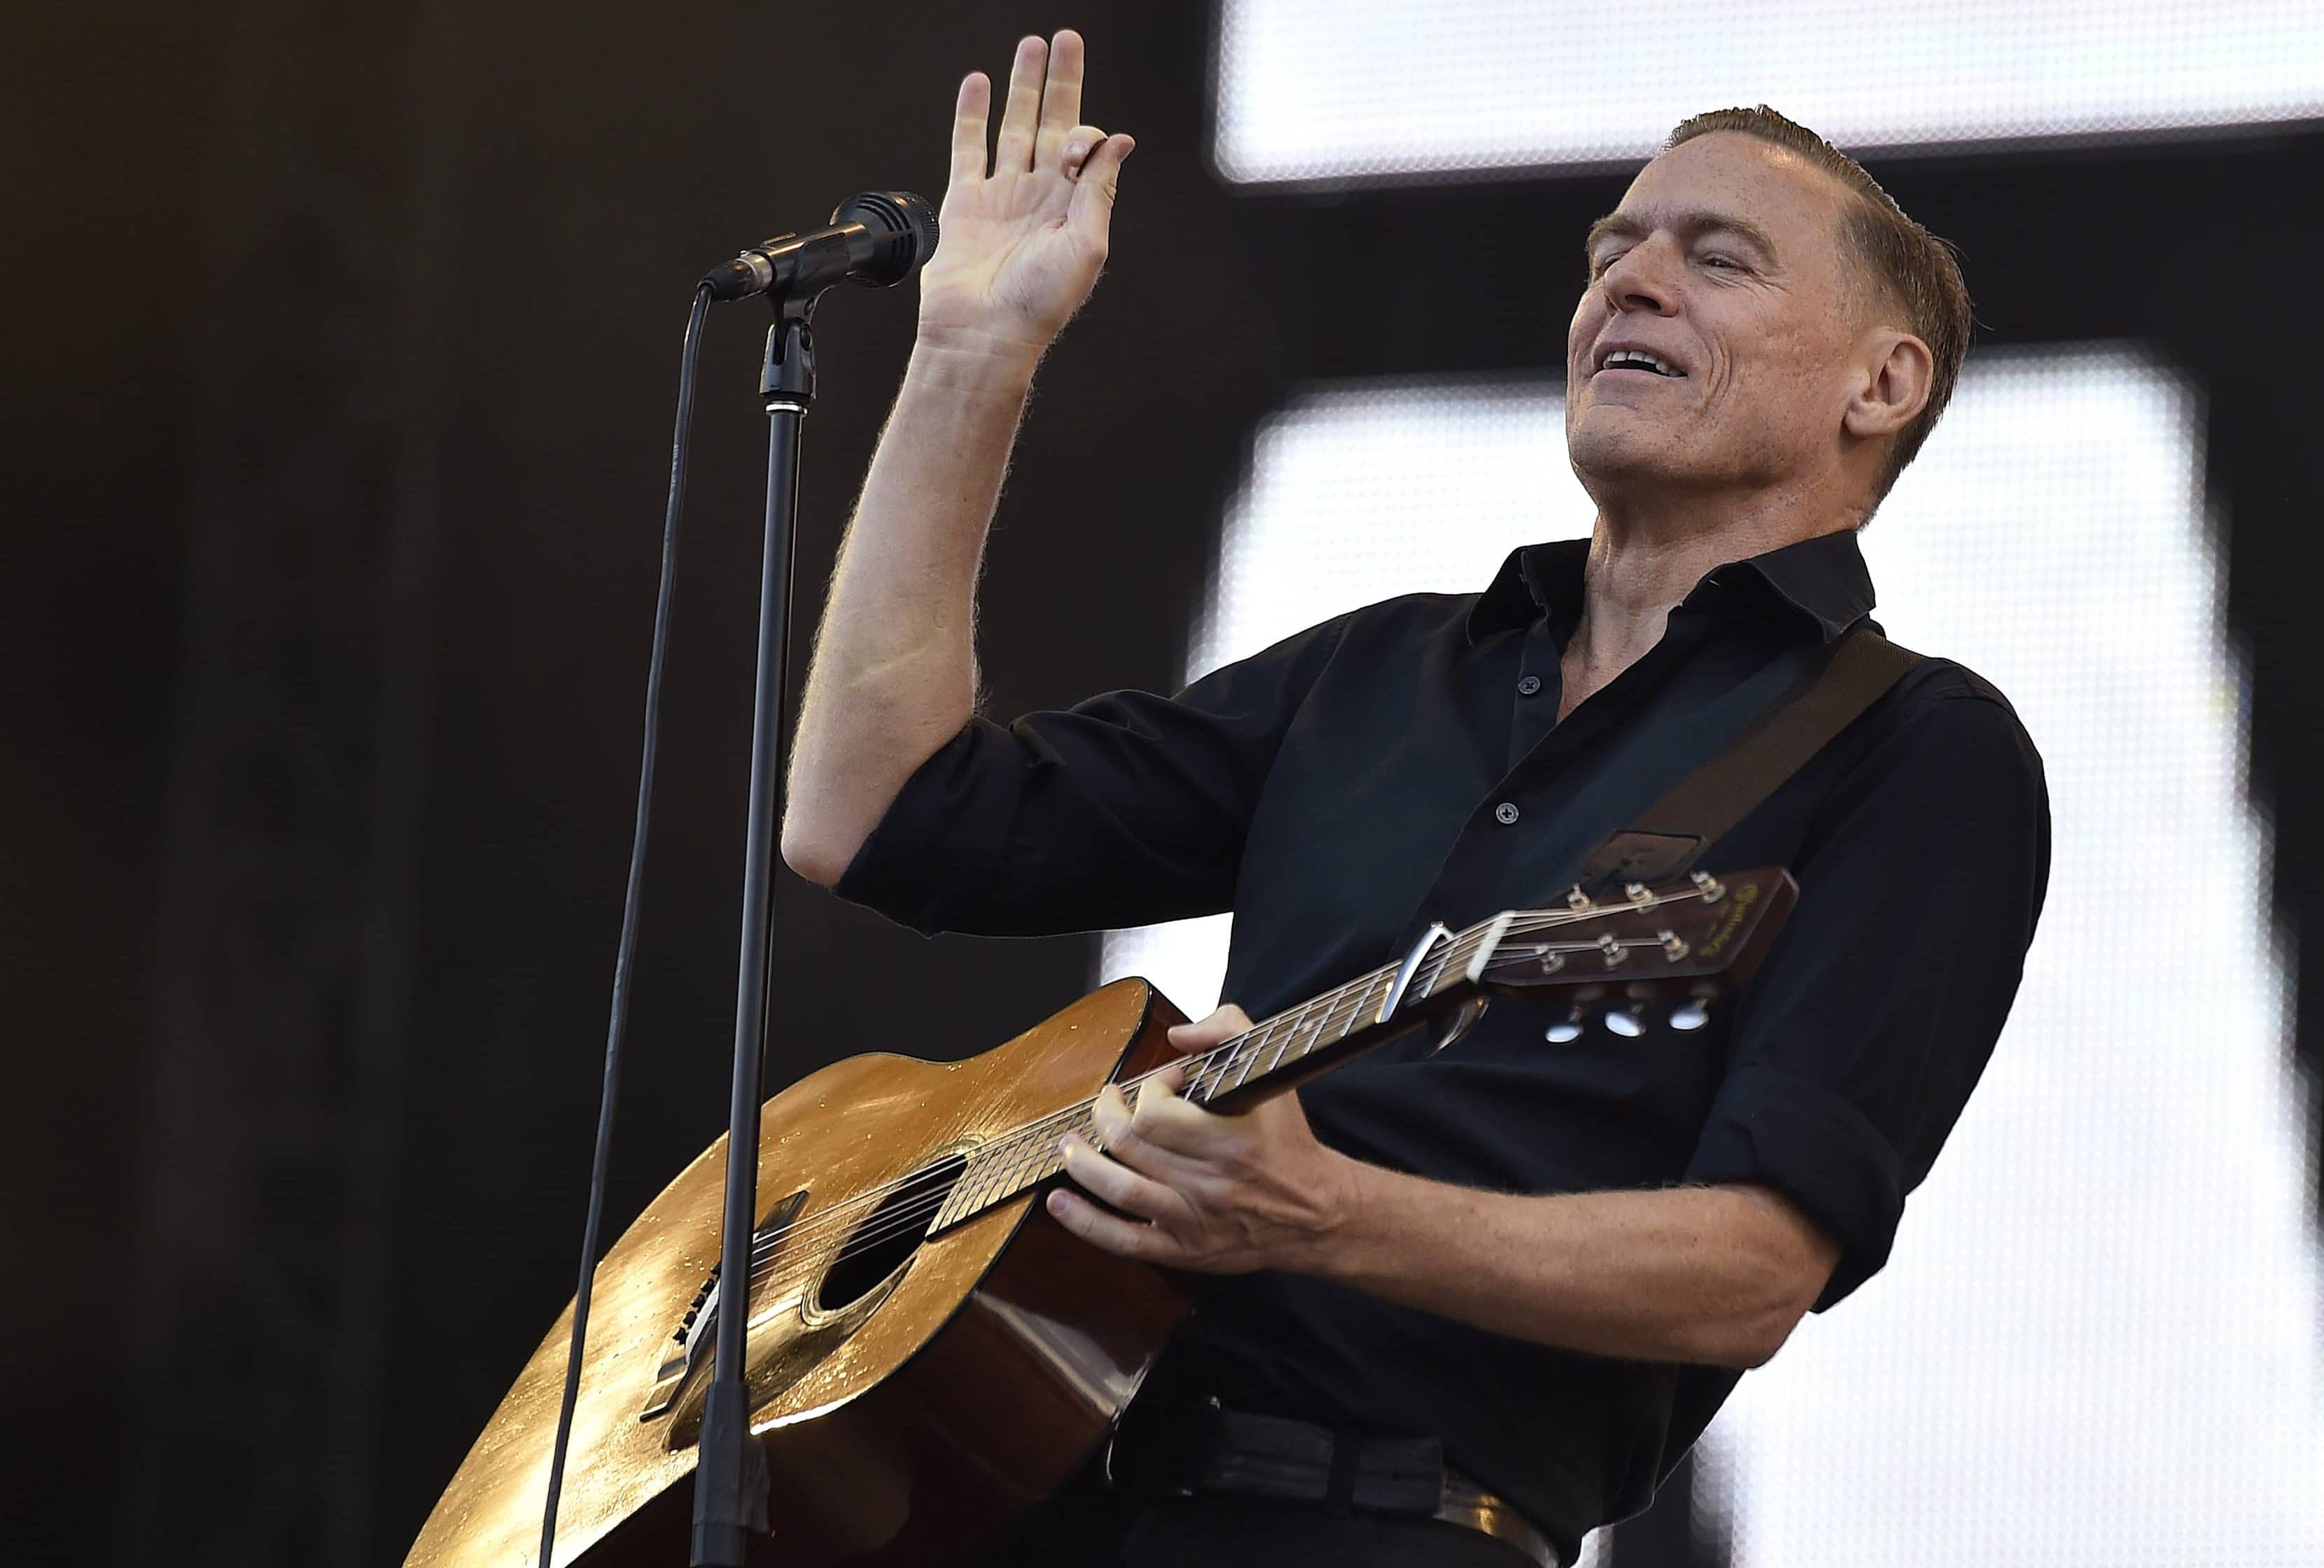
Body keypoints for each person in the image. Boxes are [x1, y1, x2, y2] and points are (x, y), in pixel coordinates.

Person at [782, 29, 2048, 1568]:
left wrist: (1321, 1213)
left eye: (1717, 259)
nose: (1627, 284)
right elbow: (873, 814)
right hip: (1048, 1497)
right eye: (1612, 249)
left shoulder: (1914, 746)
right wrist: (967, 360)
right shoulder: (1380, 671)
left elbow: (1746, 1271)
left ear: (1881, 381)